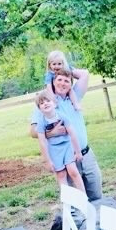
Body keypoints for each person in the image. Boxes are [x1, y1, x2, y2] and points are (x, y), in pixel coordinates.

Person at [27, 66, 103, 202]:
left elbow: (85, 74)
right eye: (59, 80)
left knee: (96, 195)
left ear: (70, 85)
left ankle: (94, 215)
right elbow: (33, 132)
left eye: (66, 81)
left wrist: (63, 67)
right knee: (77, 201)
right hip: (67, 157)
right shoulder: (47, 102)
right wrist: (52, 133)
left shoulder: (75, 97)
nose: (62, 83)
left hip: (85, 154)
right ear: (53, 81)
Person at [32, 89, 87, 195]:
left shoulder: (62, 116)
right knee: (61, 175)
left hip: (66, 147)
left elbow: (72, 134)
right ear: (39, 109)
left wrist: (78, 152)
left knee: (73, 171)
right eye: (42, 103)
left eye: (48, 101)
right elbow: (42, 142)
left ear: (54, 103)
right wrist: (47, 161)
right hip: (53, 150)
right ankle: (68, 201)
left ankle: (84, 198)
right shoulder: (41, 122)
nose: (45, 104)